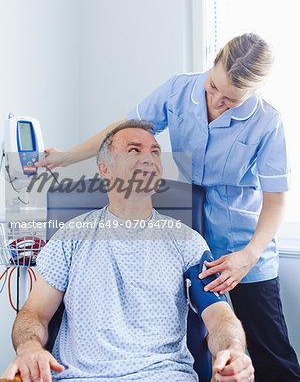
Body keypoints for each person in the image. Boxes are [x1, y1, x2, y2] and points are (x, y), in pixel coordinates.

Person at [35, 33, 300, 381]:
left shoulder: (267, 122)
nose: (216, 100)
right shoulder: (178, 90)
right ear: (213, 62)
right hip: (188, 220)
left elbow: (276, 199)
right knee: (188, 333)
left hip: (243, 242)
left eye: (230, 100)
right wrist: (67, 157)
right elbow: (125, 131)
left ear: (251, 93)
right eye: (211, 87)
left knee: (270, 352)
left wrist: (249, 255)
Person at [4, 120, 254, 382]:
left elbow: (219, 316)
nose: (148, 158)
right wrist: (29, 347)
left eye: (155, 152)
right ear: (105, 168)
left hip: (163, 376)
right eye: (134, 150)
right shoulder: (70, 237)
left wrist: (233, 350)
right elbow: (34, 313)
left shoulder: (187, 242)